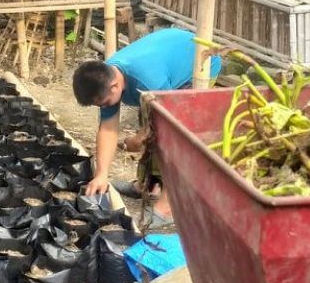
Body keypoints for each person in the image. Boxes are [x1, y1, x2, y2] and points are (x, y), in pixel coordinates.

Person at [72, 27, 221, 218]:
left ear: (115, 86)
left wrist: (140, 139)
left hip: (201, 64)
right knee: (149, 122)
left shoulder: (148, 81)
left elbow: (168, 124)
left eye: (105, 103)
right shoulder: (106, 77)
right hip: (167, 56)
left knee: (173, 136)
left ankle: (166, 205)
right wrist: (101, 174)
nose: (106, 106)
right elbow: (108, 128)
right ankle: (147, 185)